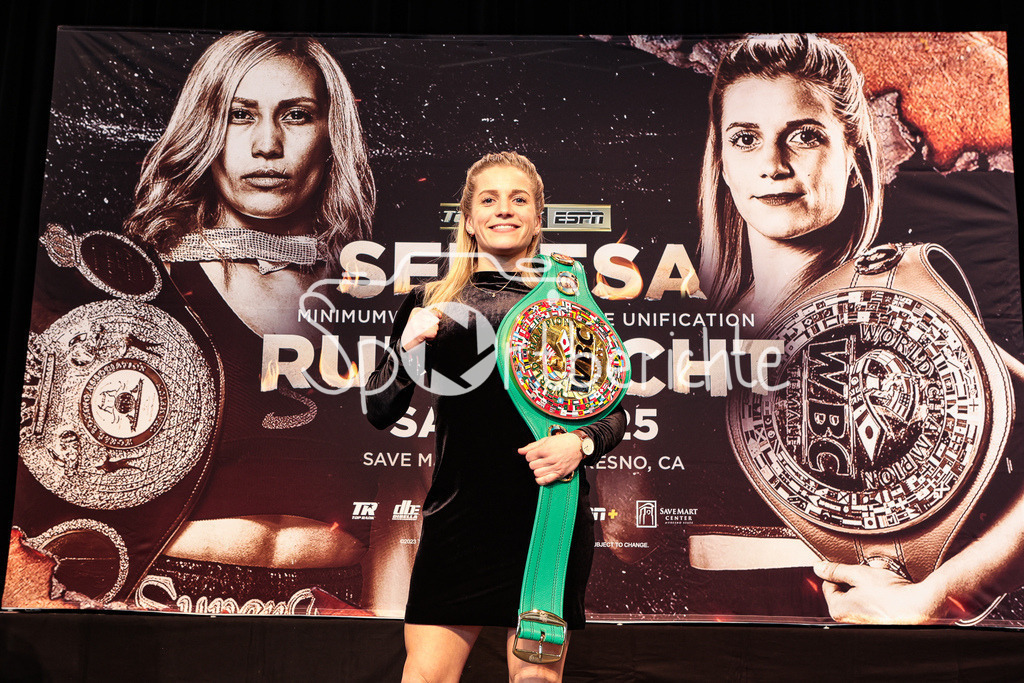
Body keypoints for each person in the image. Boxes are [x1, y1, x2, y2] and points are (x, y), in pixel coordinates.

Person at [697, 33, 1024, 624]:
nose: (773, 165)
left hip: (866, 651)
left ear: (854, 159)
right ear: (720, 161)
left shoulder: (896, 301)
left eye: (804, 135)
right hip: (700, 639)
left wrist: (937, 595)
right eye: (745, 139)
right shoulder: (698, 323)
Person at [120, 31, 395, 614]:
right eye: (238, 115)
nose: (267, 144)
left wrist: (391, 633)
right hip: (165, 603)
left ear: (330, 137)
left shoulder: (375, 303)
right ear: (203, 131)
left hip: (337, 613)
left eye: (296, 116)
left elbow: (407, 493)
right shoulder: (140, 289)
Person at [365, 151, 625, 681]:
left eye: (518, 199)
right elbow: (379, 410)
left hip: (546, 517)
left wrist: (582, 445)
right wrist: (406, 349)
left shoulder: (569, 300)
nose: (503, 210)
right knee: (426, 678)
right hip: (459, 520)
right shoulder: (430, 300)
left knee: (535, 679)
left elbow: (615, 408)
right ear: (468, 218)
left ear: (537, 217)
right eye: (489, 199)